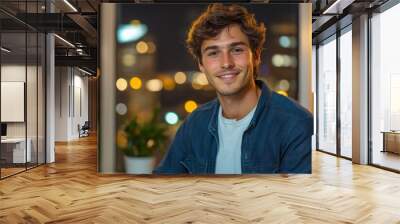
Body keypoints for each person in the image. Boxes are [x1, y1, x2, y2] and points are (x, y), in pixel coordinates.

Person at [153, 3, 313, 174]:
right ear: (201, 64)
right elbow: (164, 184)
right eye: (213, 53)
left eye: (236, 50)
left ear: (256, 56)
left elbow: (297, 199)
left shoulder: (296, 123)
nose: (226, 63)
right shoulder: (195, 124)